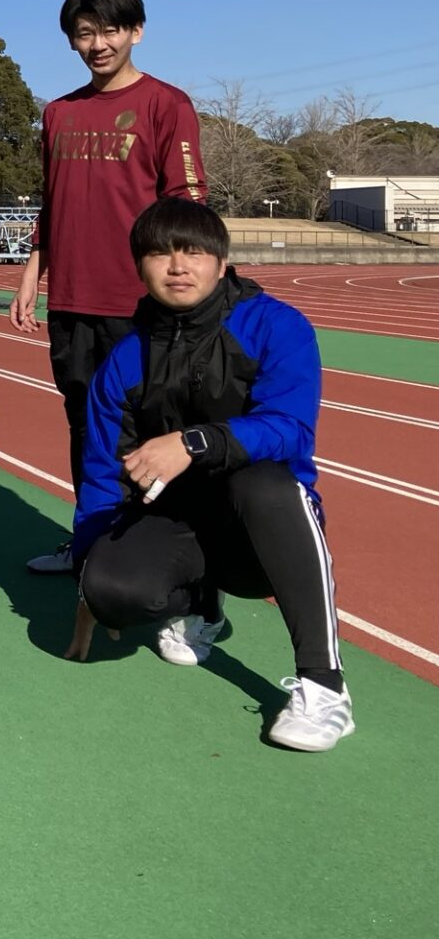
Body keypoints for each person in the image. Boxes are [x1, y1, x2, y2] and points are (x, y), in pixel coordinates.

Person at [68, 199, 350, 751]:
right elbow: (103, 474)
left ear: (221, 263)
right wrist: (88, 573)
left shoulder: (274, 325)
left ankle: (325, 686)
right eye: (160, 254)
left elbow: (291, 429)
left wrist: (194, 443)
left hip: (258, 528)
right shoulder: (125, 358)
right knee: (110, 587)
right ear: (140, 267)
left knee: (262, 482)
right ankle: (202, 606)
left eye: (193, 252)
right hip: (177, 517)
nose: (177, 266)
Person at [11, 0, 206, 574]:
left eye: (111, 30)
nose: (98, 44)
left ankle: (163, 559)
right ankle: (90, 543)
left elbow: (187, 203)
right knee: (85, 426)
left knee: (151, 430)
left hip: (140, 304)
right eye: (85, 33)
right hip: (72, 301)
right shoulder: (59, 113)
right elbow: (52, 201)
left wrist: (181, 284)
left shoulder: (166, 105)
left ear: (136, 32)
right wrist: (32, 272)